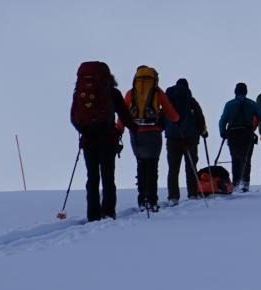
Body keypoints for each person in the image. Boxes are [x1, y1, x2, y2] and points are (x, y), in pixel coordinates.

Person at [71, 62, 129, 222]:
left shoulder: (79, 93)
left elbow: (73, 118)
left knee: (92, 177)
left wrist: (84, 131)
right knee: (108, 177)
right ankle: (108, 212)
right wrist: (132, 130)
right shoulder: (112, 92)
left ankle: (93, 214)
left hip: (88, 141)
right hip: (108, 140)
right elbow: (125, 115)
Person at [124, 65, 182, 211]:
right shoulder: (158, 93)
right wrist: (175, 120)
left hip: (136, 134)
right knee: (152, 167)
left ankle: (142, 199)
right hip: (154, 135)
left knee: (141, 165)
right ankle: (152, 201)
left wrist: (119, 129)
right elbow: (172, 114)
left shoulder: (131, 93)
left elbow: (124, 114)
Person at [165, 77, 207, 205]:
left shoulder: (169, 101)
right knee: (191, 166)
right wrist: (203, 132)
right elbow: (200, 118)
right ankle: (192, 194)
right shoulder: (191, 101)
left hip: (173, 138)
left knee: (173, 168)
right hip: (190, 138)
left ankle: (173, 196)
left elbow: (162, 117)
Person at [219, 82, 261, 193]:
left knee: (235, 158)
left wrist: (223, 132)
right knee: (246, 159)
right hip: (247, 134)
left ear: (235, 91)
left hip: (233, 134)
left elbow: (223, 120)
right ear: (246, 92)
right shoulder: (252, 104)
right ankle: (245, 183)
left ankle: (236, 182)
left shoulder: (229, 104)